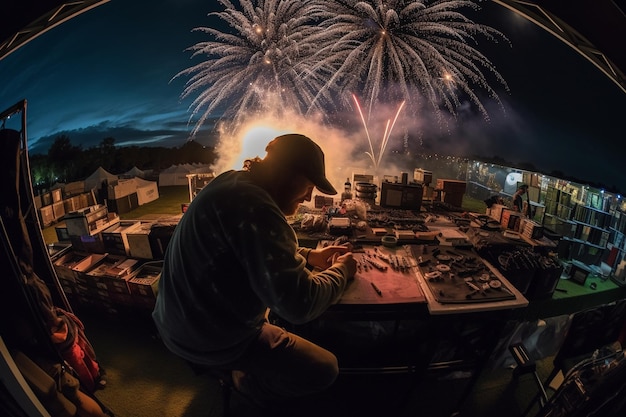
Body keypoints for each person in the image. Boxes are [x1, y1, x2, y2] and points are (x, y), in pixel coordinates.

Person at [152, 133, 357, 408]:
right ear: (285, 174)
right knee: (325, 368)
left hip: (177, 324)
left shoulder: (232, 182)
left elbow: (245, 248)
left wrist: (309, 255)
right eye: (308, 185)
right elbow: (300, 304)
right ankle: (243, 380)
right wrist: (343, 270)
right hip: (209, 338)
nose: (309, 196)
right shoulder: (257, 207)